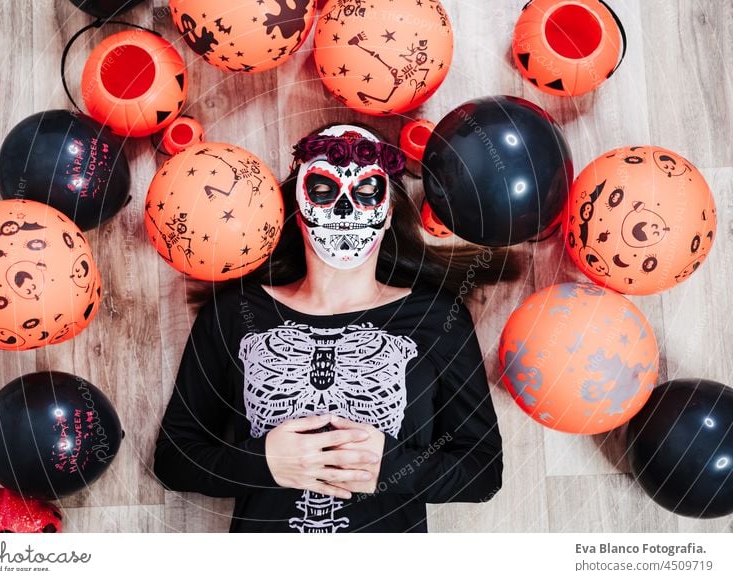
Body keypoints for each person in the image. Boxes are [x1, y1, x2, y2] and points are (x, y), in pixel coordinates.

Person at [153, 123, 519, 532]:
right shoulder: (234, 314)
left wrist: (391, 468)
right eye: (323, 191)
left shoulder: (437, 318)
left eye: (366, 193)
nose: (344, 210)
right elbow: (174, 461)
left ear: (388, 213)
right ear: (297, 207)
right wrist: (262, 463)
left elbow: (483, 471)